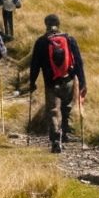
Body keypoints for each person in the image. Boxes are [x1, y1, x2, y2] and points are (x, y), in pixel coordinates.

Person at [27, 13, 86, 153]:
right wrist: (82, 81)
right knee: (67, 107)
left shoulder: (41, 42)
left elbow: (35, 64)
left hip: (51, 83)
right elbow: (78, 61)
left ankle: (55, 138)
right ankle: (66, 133)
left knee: (53, 111)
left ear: (45, 24)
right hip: (69, 80)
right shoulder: (69, 39)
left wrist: (32, 82)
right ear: (59, 24)